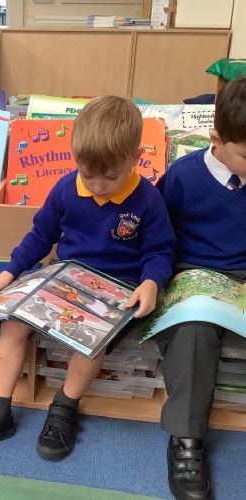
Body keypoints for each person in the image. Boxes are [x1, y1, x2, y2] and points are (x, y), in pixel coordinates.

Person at [0, 95, 176, 461]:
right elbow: (41, 235)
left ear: (136, 157)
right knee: (12, 322)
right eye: (88, 174)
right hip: (63, 278)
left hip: (117, 290)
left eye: (111, 176)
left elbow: (160, 251)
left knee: (91, 341)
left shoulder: (148, 198)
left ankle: (65, 405)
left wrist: (151, 281)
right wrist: (12, 269)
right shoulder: (67, 188)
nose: (98, 185)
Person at [155, 75, 246, 500]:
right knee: (191, 333)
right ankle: (186, 438)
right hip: (192, 271)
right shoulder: (182, 176)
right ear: (217, 140)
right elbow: (157, 235)